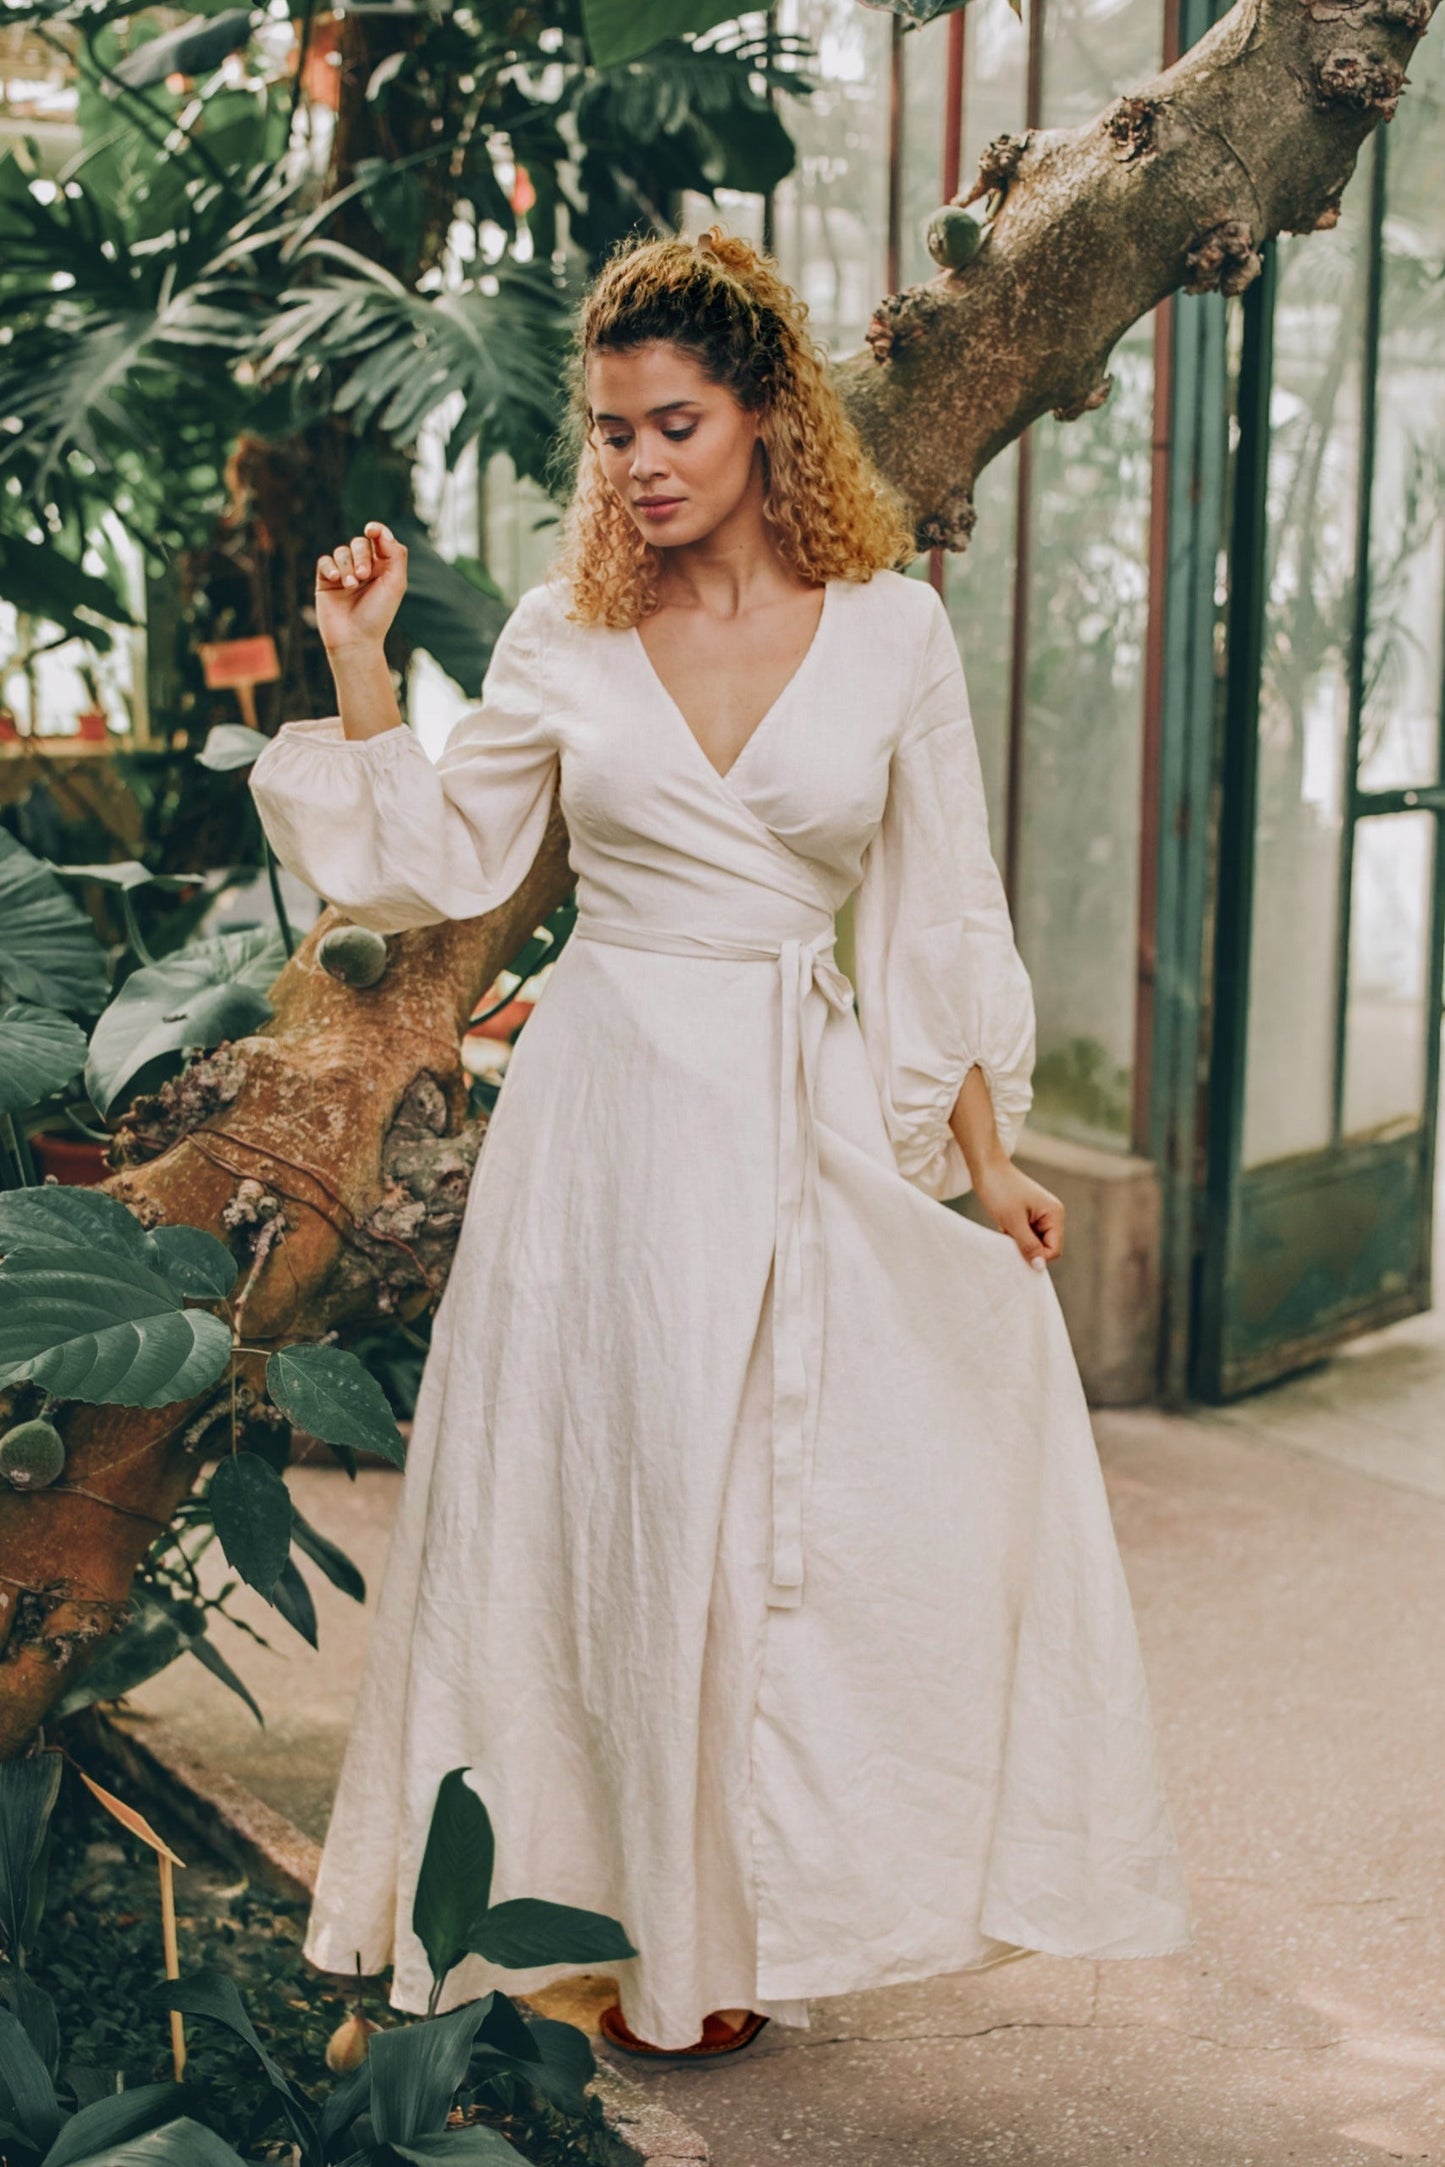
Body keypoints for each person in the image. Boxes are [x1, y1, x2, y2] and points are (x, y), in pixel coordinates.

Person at [248, 226, 1191, 2062]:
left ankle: (721, 1926)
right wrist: (361, 662)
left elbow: (935, 910)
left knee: (778, 1525)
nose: (640, 463)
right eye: (608, 434)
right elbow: (438, 860)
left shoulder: (894, 631)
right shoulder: (566, 633)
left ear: (767, 416)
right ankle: (559, 1914)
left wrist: (982, 1159)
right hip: (604, 1118)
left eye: (673, 421)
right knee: (595, 1514)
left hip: (792, 1104)